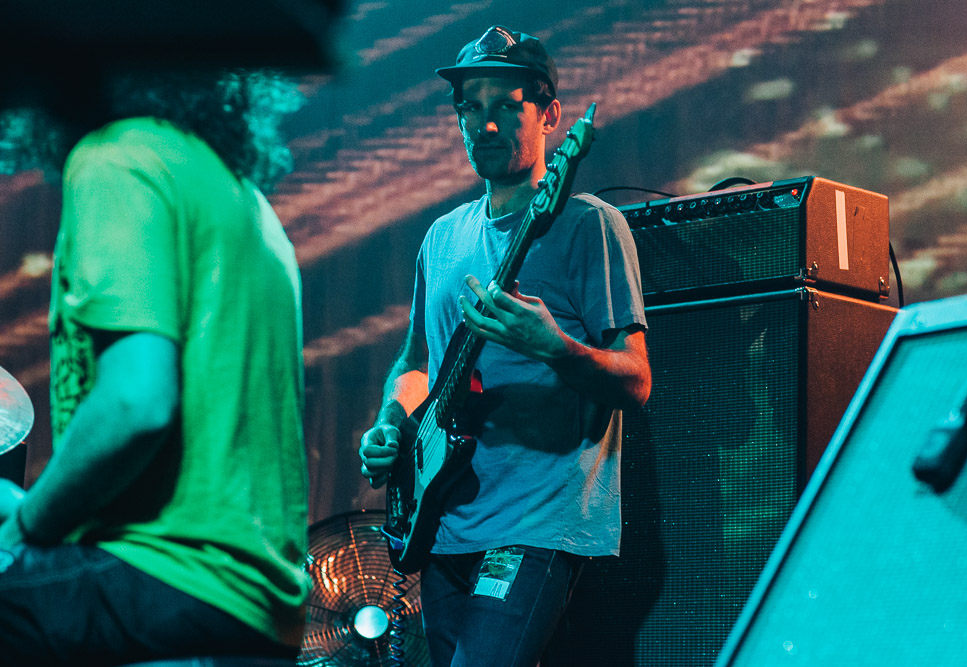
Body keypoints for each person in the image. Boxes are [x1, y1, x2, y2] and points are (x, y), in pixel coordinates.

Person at [358, 25, 652, 667]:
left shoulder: (589, 225)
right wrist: (388, 424)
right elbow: (415, 365)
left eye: (504, 106)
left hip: (539, 523)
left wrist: (555, 349)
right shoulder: (441, 238)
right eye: (470, 107)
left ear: (549, 116)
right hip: (444, 521)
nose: (484, 125)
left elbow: (636, 378)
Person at [0, 70, 310, 665]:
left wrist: (26, 526)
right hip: (260, 612)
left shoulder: (116, 159)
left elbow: (134, 404)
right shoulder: (236, 190)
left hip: (167, 580)